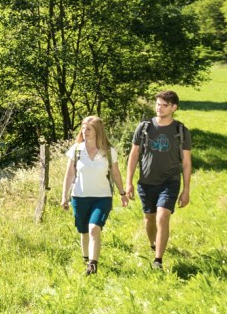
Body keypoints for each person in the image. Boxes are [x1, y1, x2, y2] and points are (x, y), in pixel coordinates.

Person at [124, 90, 192, 270]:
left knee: (162, 217)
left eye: (164, 105)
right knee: (150, 220)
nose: (159, 108)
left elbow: (186, 162)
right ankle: (154, 245)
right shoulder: (144, 128)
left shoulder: (181, 131)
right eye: (157, 104)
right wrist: (128, 182)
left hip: (170, 181)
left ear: (174, 107)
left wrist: (186, 190)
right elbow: (134, 155)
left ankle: (158, 261)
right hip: (146, 182)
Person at [61, 116, 123, 276]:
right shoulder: (76, 150)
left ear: (97, 131)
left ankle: (92, 266)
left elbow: (115, 173)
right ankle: (86, 259)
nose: (84, 131)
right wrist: (64, 197)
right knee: (84, 232)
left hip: (102, 197)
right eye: (83, 128)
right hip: (80, 197)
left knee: (94, 228)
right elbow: (69, 175)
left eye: (88, 129)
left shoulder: (108, 151)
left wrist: (122, 193)